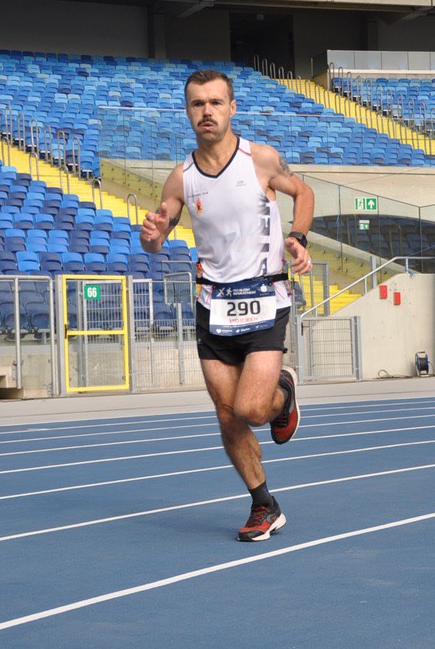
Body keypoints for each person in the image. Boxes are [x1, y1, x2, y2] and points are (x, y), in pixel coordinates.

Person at [140, 68, 314, 542]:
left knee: (252, 409)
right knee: (225, 412)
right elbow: (158, 237)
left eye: (215, 102)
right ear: (187, 112)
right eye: (198, 104)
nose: (207, 111)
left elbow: (303, 191)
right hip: (213, 304)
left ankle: (282, 395)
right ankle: (264, 505)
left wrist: (297, 237)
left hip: (265, 296)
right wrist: (151, 236)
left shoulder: (260, 159)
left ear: (231, 108)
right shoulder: (181, 178)